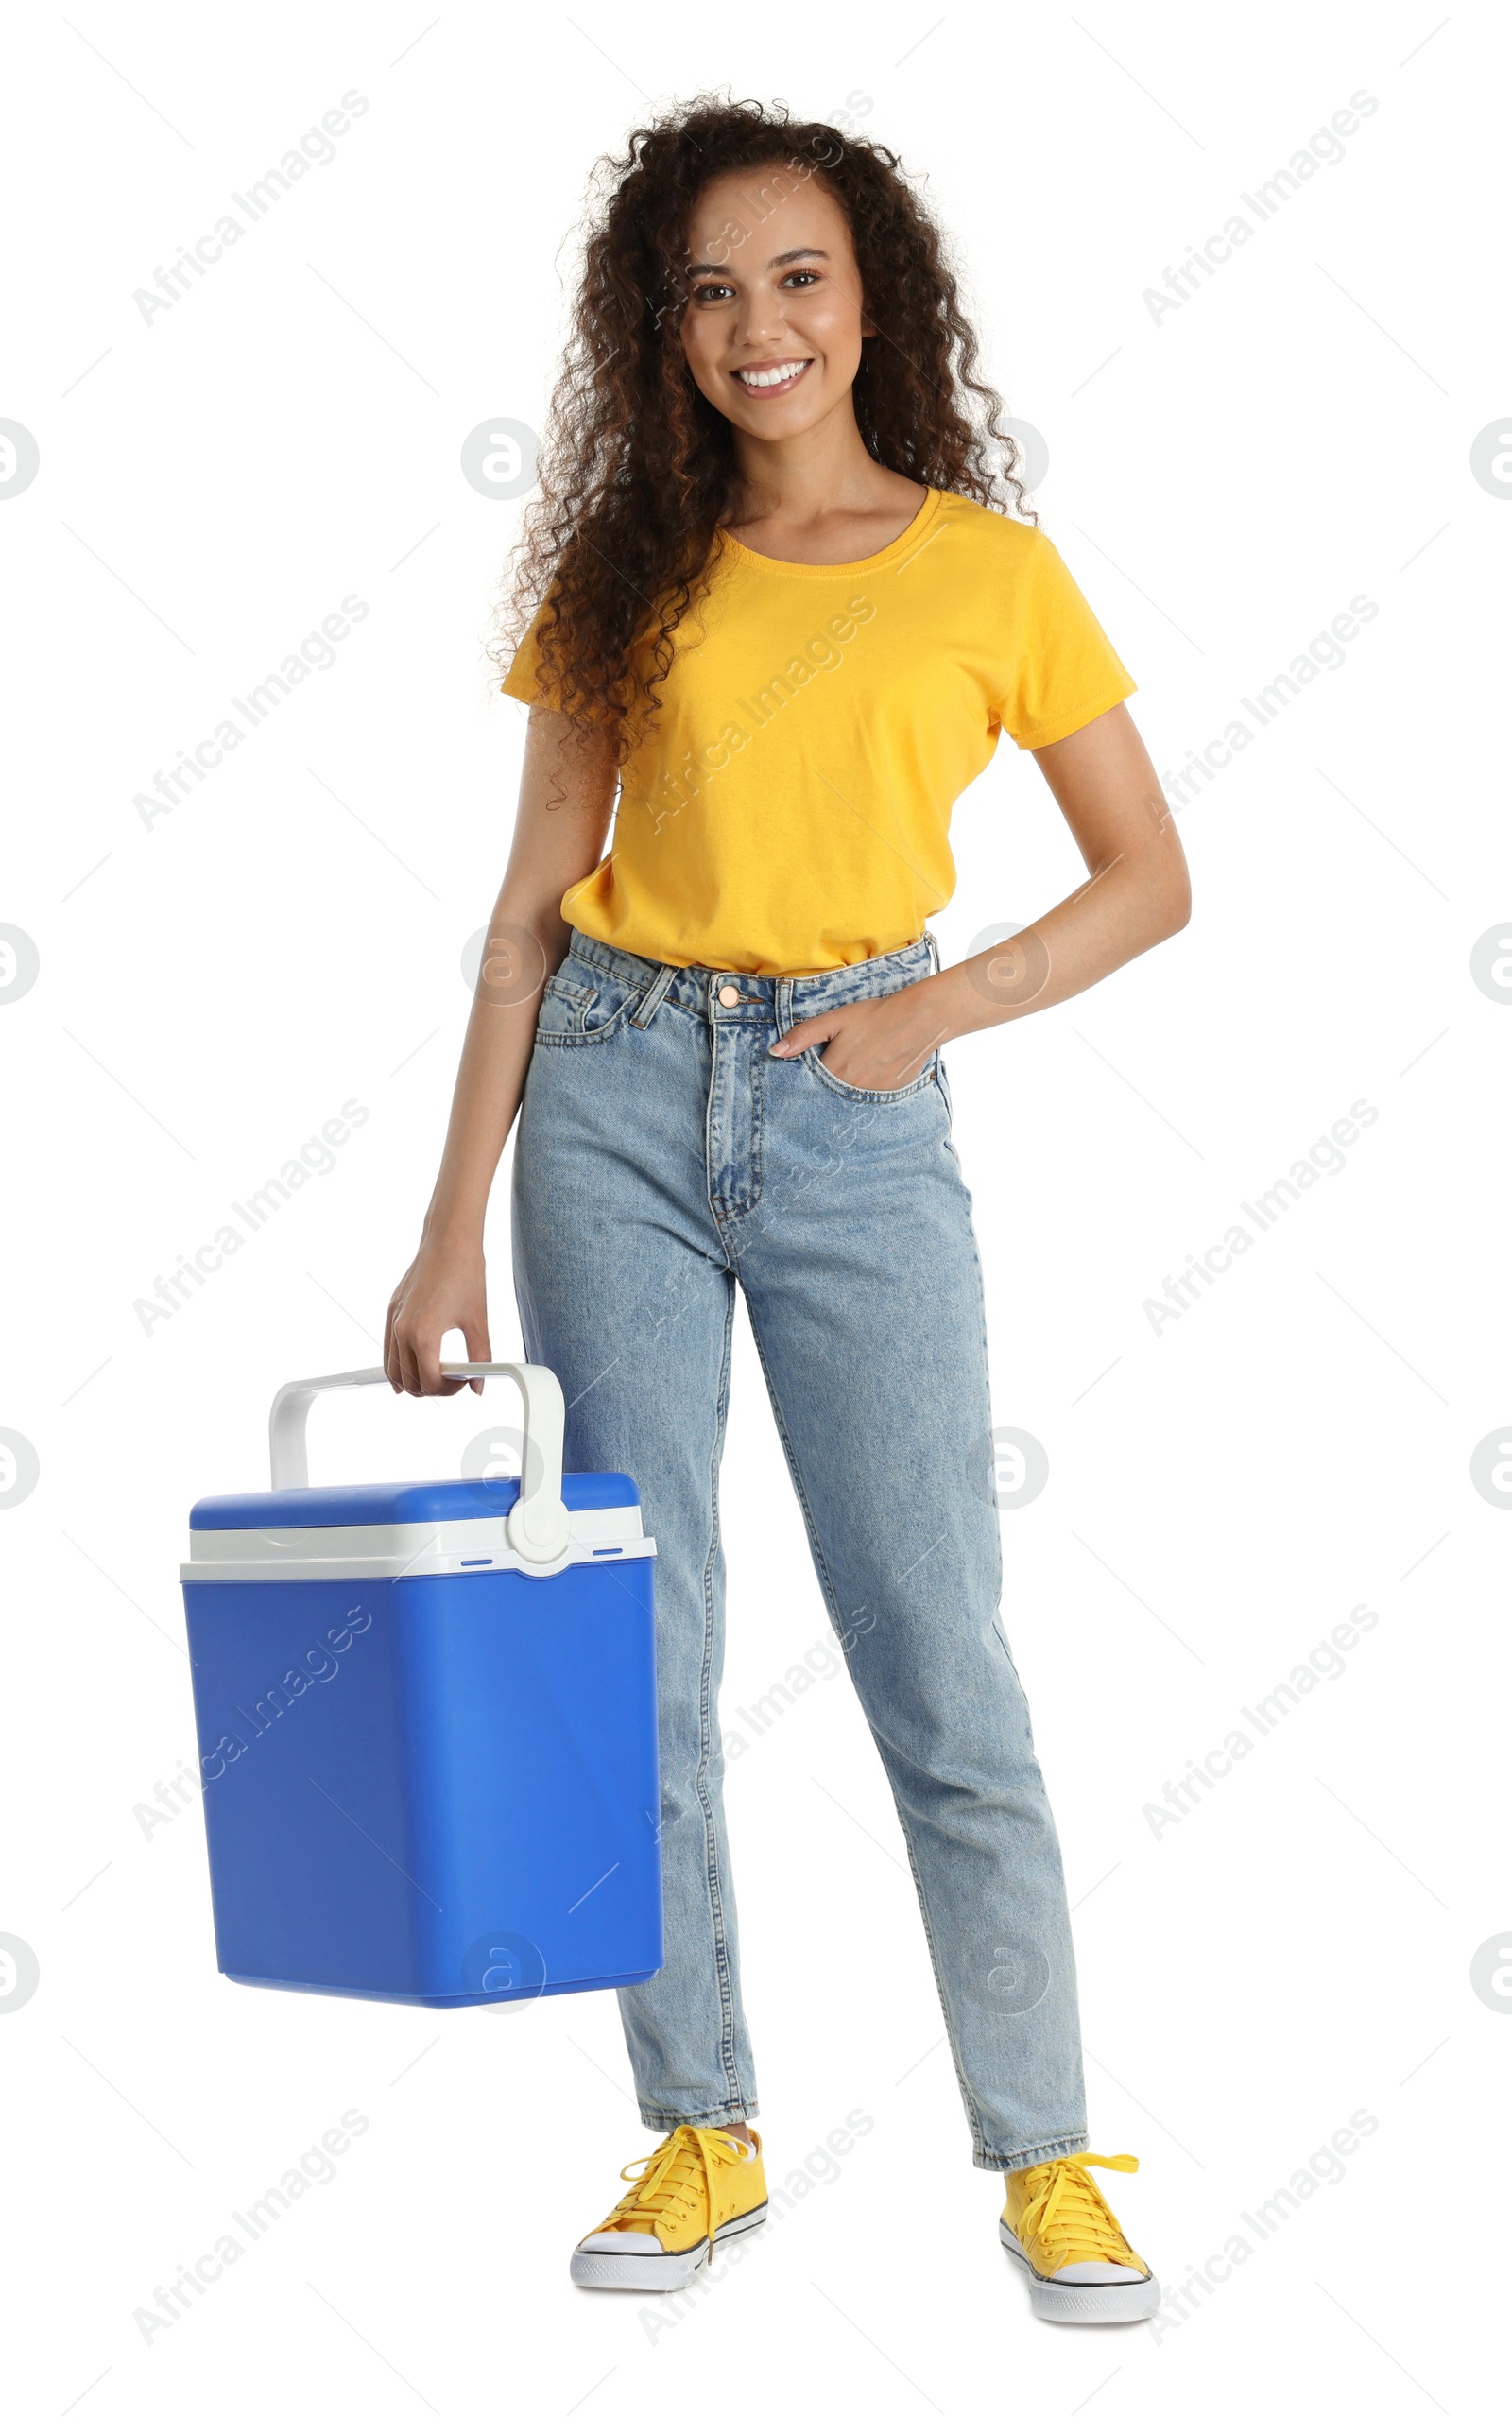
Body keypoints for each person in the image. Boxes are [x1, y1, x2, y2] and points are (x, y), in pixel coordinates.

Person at [385, 95, 1189, 2326]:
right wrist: (448, 1224)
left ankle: (1046, 2152)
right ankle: (699, 2125)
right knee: (636, 1641)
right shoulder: (620, 571)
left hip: (855, 1111)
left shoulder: (986, 575)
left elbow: (1149, 876)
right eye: (710, 289)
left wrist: (932, 1008)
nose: (759, 326)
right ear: (664, 330)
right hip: (612, 1103)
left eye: (799, 278)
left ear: (873, 300)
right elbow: (524, 922)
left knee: (939, 1649)